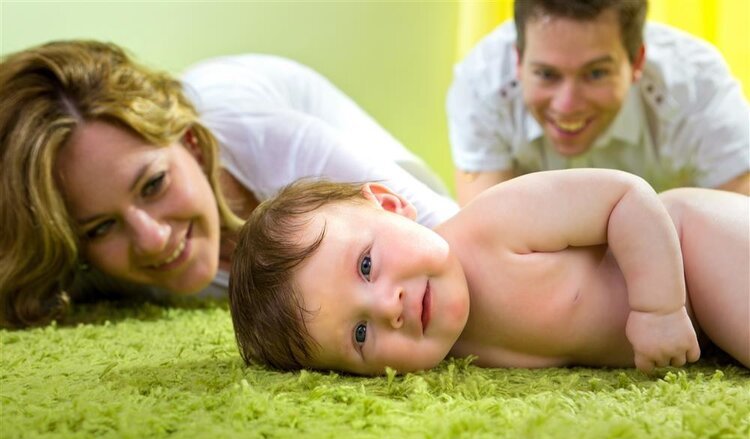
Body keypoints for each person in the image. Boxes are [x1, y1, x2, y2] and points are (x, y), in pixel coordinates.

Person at [0, 40, 457, 328]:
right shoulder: (86, 265)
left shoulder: (253, 129)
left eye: (154, 184)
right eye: (101, 228)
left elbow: (449, 233)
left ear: (190, 142)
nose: (153, 239)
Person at [228, 169, 749, 376]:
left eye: (366, 266)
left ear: (390, 205)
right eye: (360, 333)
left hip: (691, 244)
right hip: (700, 329)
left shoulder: (493, 226)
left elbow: (626, 197)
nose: (389, 306)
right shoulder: (454, 351)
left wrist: (659, 308)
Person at [447, 0, 750, 205]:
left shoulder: (698, 89)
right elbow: (486, 242)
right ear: (518, 60)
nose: (567, 106)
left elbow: (742, 231)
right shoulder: (482, 84)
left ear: (636, 62)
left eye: (595, 73)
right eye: (547, 74)